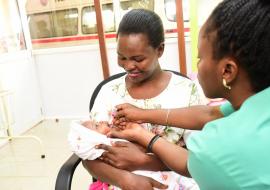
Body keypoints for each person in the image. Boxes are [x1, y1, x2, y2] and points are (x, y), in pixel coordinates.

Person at [99, 0, 270, 189]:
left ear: (227, 71)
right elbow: (209, 114)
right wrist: (141, 116)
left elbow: (191, 161)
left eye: (200, 57)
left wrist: (143, 146)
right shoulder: (257, 104)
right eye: (122, 57)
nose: (129, 65)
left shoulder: (215, 147)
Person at [82, 8, 203, 190]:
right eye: (122, 57)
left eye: (138, 58)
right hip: (122, 180)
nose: (129, 66)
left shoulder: (186, 91)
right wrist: (126, 180)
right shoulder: (109, 92)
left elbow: (199, 159)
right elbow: (87, 154)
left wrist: (143, 161)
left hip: (177, 179)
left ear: (160, 49)